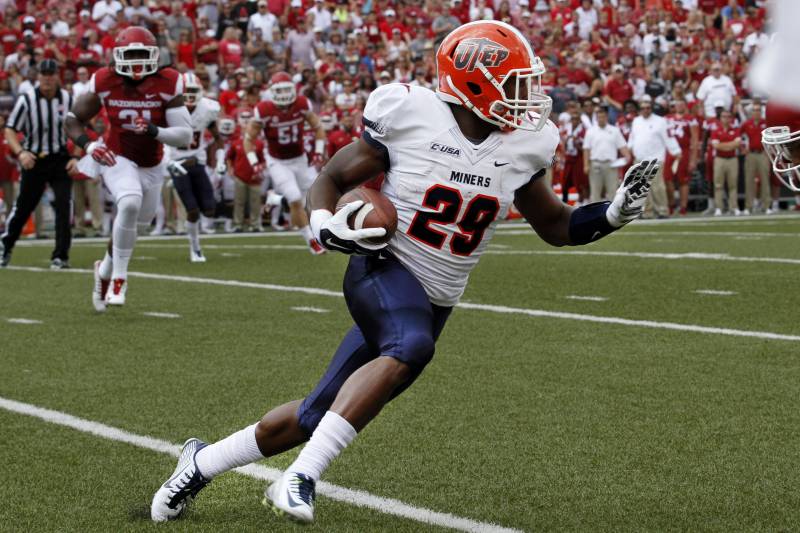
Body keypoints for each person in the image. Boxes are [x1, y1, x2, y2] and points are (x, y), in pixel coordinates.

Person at [150, 20, 659, 525]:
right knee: (410, 346)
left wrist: (612, 213)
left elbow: (554, 223)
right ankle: (302, 477)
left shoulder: (524, 144)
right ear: (474, 81)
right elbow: (331, 176)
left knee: (316, 413)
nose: (528, 96)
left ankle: (199, 463)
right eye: (515, 82)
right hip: (382, 266)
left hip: (437, 298)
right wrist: (326, 224)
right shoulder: (413, 113)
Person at [64, 26, 192, 309]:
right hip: (116, 154)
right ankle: (120, 278)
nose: (135, 61)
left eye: (141, 54)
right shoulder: (105, 79)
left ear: (154, 56)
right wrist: (88, 145)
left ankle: (105, 271)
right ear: (118, 56)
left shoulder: (168, 80)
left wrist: (154, 130)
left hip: (152, 162)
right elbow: (72, 120)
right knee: (130, 203)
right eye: (130, 54)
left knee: (137, 223)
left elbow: (185, 135)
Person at [1, 59, 75, 269]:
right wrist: (21, 152)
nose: (47, 78)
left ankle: (60, 255)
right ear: (38, 76)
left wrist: (76, 157)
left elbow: (79, 128)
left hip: (59, 159)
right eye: (43, 74)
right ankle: (5, 246)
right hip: (34, 160)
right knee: (24, 206)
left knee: (63, 205)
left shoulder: (68, 99)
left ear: (57, 76)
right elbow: (10, 129)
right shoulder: (28, 99)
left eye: (51, 74)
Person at [244, 71, 327, 254]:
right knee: (295, 198)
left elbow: (318, 128)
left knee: (314, 198)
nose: (283, 95)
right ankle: (310, 239)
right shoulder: (264, 110)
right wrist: (254, 162)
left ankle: (320, 233)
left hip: (300, 158)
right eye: (279, 91)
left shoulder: (302, 104)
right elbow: (248, 139)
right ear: (272, 92)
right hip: (277, 161)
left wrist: (319, 152)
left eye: (286, 90)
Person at [164, 72, 221, 262]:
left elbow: (218, 138)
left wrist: (220, 161)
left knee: (210, 210)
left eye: (193, 91)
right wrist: (168, 162)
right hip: (177, 164)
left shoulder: (207, 109)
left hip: (198, 162)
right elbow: (157, 137)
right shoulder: (169, 108)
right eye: (185, 91)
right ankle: (195, 248)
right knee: (192, 210)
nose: (189, 95)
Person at [628, 96, 681, 219]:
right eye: (643, 108)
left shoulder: (660, 121)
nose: (645, 110)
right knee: (641, 188)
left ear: (651, 108)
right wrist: (630, 148)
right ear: (639, 110)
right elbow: (632, 137)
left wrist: (676, 150)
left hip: (655, 158)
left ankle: (662, 210)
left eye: (648, 108)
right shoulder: (636, 121)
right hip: (640, 158)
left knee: (657, 186)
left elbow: (668, 137)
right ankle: (647, 211)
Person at [583, 106, 631, 202]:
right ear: (596, 118)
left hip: (611, 164)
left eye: (603, 117)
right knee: (595, 191)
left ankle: (611, 215)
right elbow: (586, 149)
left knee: (612, 191)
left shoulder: (614, 130)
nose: (601, 119)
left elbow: (622, 146)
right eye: (599, 117)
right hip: (595, 164)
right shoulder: (591, 131)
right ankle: (595, 215)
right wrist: (586, 165)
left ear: (607, 117)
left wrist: (627, 156)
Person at [664, 99, 699, 215]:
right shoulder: (667, 118)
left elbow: (694, 139)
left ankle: (683, 206)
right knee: (667, 179)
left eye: (681, 104)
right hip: (669, 151)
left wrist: (693, 159)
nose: (679, 106)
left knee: (683, 180)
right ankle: (671, 204)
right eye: (677, 104)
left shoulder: (691, 119)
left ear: (685, 106)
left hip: (684, 151)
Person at [740, 100, 773, 214]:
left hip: (763, 154)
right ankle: (748, 206)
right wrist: (742, 149)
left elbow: (771, 137)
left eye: (758, 110)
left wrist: (768, 151)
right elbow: (739, 137)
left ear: (761, 112)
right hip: (750, 154)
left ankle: (767, 206)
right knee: (749, 180)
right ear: (751, 112)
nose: (756, 112)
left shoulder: (766, 123)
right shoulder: (746, 124)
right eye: (754, 110)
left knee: (765, 180)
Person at [709, 109, 743, 216]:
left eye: (728, 116)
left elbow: (737, 144)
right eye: (724, 116)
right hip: (719, 159)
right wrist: (729, 145)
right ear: (720, 118)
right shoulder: (716, 131)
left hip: (732, 158)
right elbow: (716, 145)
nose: (726, 119)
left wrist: (724, 145)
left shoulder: (735, 129)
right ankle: (719, 207)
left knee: (733, 185)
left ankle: (734, 207)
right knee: (718, 184)